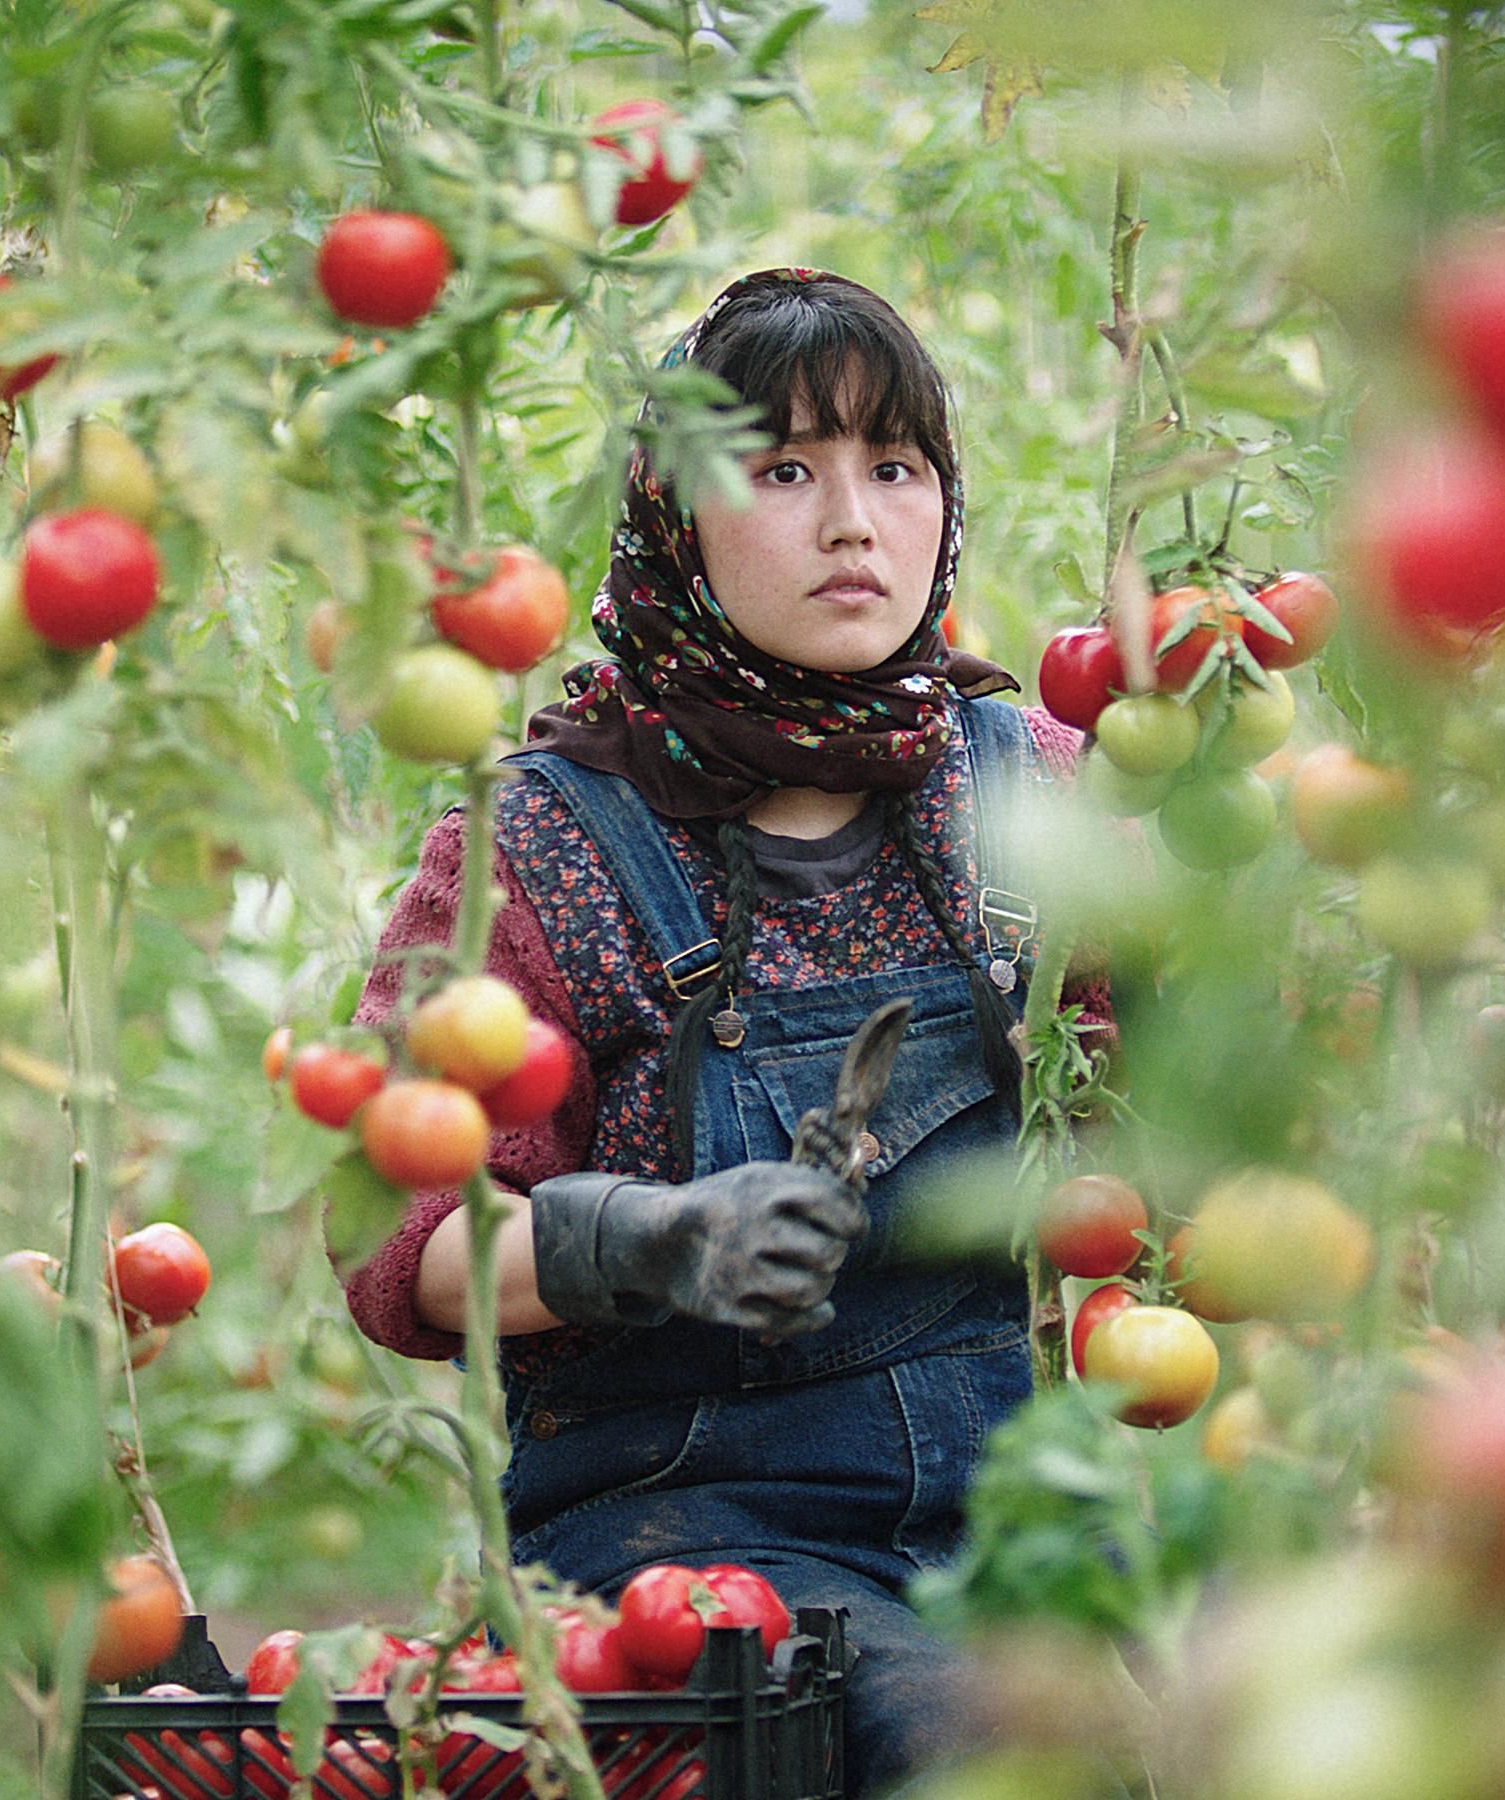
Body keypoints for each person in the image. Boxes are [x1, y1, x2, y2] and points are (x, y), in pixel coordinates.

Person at [339, 268, 1108, 1797]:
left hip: (1040, 1498)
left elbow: (1189, 1120)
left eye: (894, 467)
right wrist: (642, 1236)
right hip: (693, 1529)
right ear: (674, 520)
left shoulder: (1043, 789)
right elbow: (393, 1240)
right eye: (782, 471)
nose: (852, 522)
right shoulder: (540, 846)